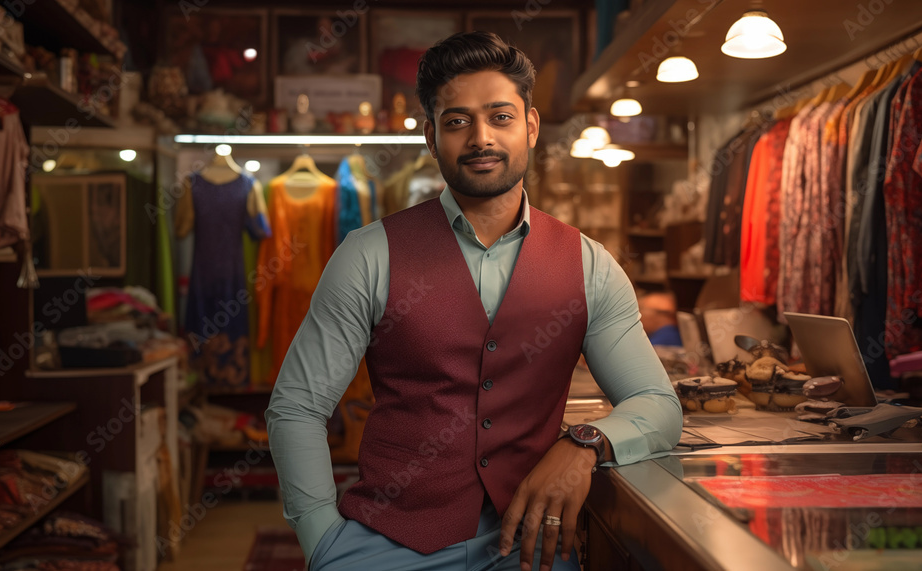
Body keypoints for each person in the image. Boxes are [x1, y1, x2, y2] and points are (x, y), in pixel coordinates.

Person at [266, 31, 682, 571]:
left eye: (501, 117)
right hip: (389, 544)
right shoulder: (369, 254)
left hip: (532, 548)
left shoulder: (589, 264)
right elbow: (297, 406)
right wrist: (322, 538)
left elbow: (657, 403)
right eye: (458, 121)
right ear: (431, 137)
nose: (481, 137)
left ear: (530, 126)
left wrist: (584, 443)